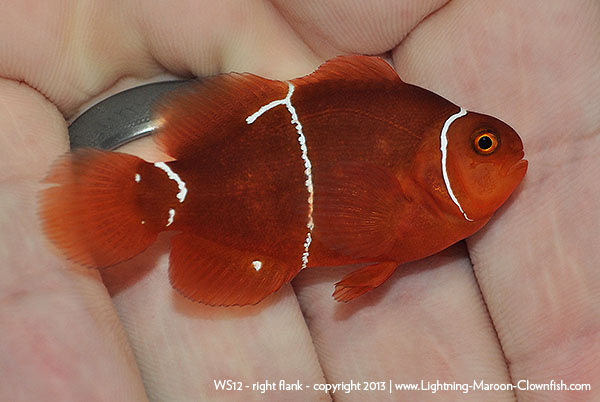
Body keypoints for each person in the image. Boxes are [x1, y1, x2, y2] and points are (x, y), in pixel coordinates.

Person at [1, 1, 597, 400]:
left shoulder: (428, 182)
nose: (501, 158)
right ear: (433, 158)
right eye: (484, 144)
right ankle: (150, 199)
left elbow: (375, 241)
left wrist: (371, 273)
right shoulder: (418, 162)